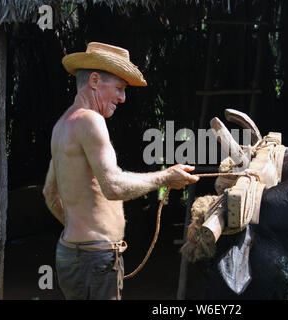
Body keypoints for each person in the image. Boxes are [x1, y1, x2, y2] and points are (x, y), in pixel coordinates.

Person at [42, 42, 199, 300]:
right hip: (95, 258)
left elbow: (50, 192)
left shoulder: (62, 125)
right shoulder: (91, 120)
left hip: (71, 253)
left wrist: (79, 235)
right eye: (119, 88)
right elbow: (113, 187)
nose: (123, 98)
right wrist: (165, 177)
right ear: (94, 81)